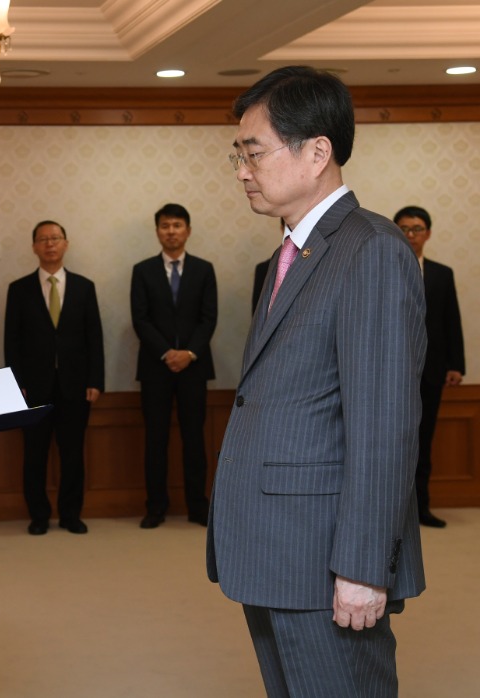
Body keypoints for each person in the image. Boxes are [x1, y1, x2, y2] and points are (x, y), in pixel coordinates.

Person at [208, 65, 426, 697]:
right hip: (277, 552)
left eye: (253, 153)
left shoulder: (371, 249)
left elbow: (383, 425)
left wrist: (363, 567)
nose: (242, 170)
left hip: (328, 560)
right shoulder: (294, 253)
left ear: (317, 152)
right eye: (238, 155)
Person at [4, 220, 104, 535]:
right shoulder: (18, 289)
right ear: (34, 246)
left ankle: (71, 514)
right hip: (33, 387)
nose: (50, 244)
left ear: (66, 243)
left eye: (55, 238)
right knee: (34, 454)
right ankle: (38, 516)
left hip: (75, 386)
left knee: (73, 453)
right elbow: (12, 341)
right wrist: (14, 383)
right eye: (43, 239)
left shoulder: (84, 286)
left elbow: (95, 338)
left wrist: (96, 380)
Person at [130, 203, 217, 528]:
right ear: (157, 232)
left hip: (194, 368)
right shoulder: (142, 271)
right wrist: (168, 353)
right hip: (156, 368)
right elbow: (141, 319)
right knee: (155, 440)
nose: (171, 231)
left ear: (188, 231)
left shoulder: (204, 269)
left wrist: (188, 353)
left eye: (177, 225)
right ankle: (156, 507)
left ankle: (198, 506)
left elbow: (209, 318)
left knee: (194, 440)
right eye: (165, 226)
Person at [393, 205, 465, 528]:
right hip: (392, 372)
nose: (411, 235)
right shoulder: (385, 268)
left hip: (431, 371)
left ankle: (421, 508)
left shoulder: (441, 273)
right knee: (393, 442)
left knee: (424, 440)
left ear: (428, 233)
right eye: (404, 229)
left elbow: (452, 321)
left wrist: (456, 365)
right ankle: (394, 510)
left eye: (416, 229)